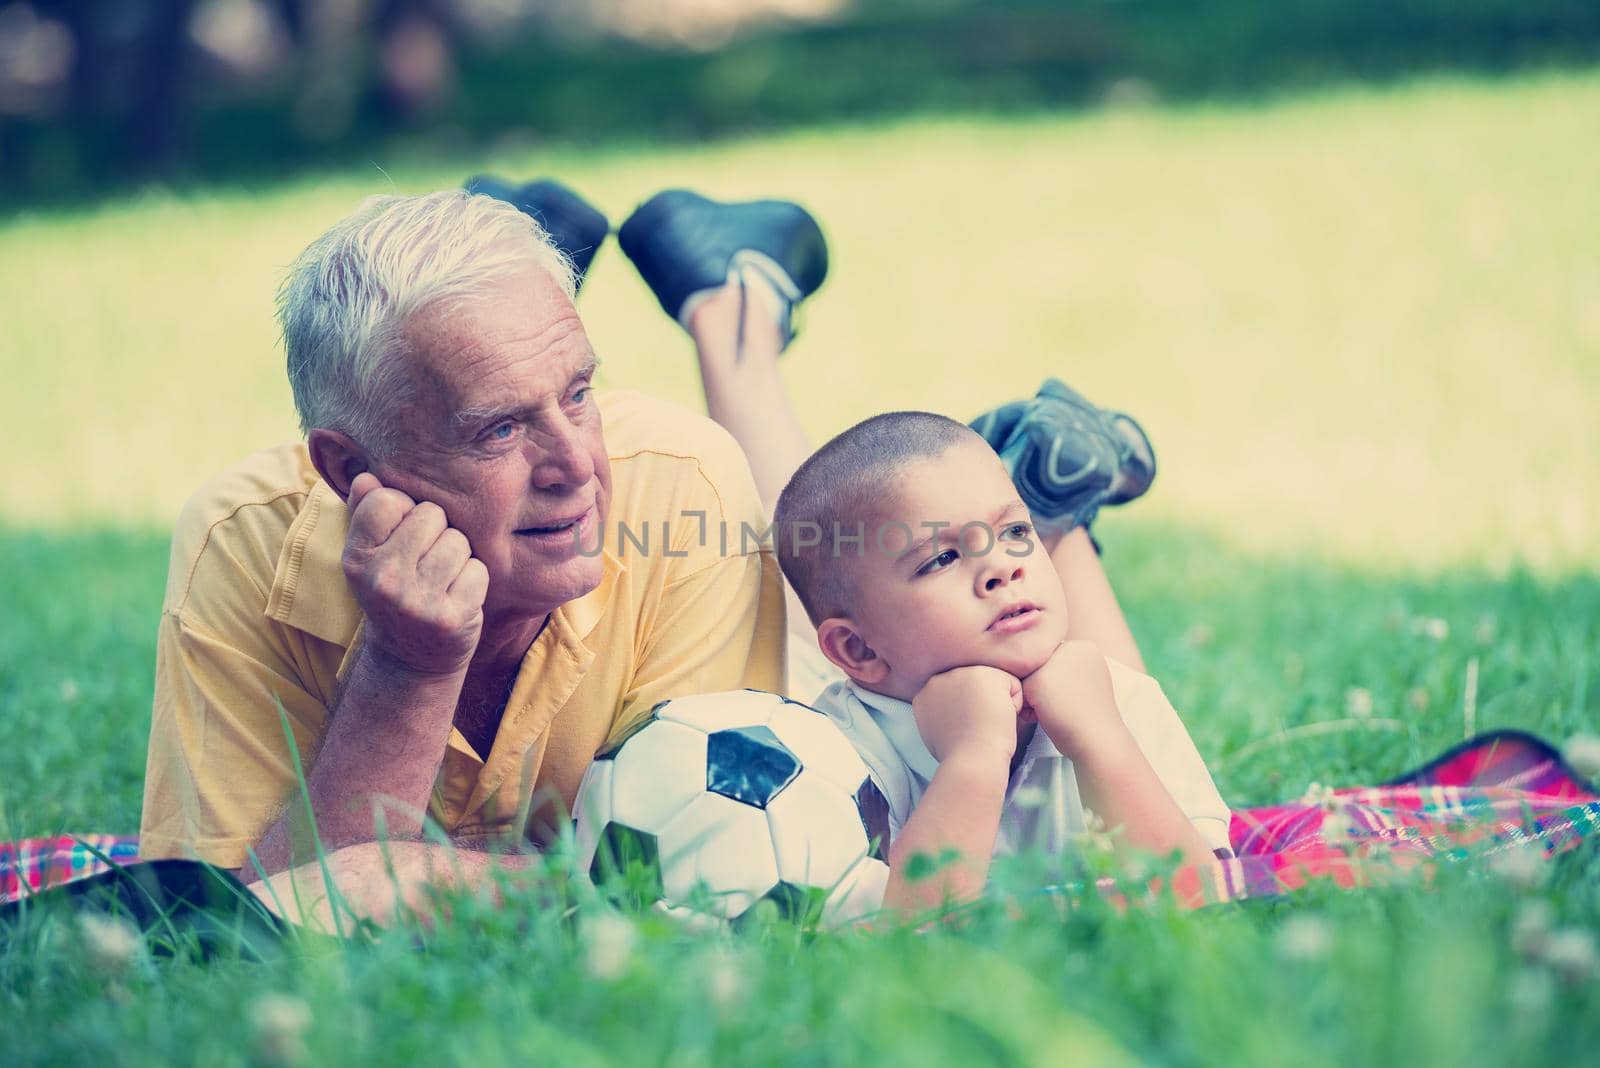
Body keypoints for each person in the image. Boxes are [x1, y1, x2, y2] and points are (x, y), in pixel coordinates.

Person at [138, 182, 833, 921]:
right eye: (497, 429)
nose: (577, 468)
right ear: (347, 470)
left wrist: (415, 880)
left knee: (816, 557)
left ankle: (734, 304)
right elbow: (240, 929)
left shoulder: (679, 480)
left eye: (579, 392)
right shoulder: (242, 542)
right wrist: (406, 668)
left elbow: (715, 866)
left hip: (815, 662)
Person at [639, 203, 1233, 915]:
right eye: (941, 559)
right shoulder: (834, 757)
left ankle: (1049, 513)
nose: (1003, 567)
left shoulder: (1118, 703)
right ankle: (1043, 502)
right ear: (856, 651)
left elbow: (1203, 905)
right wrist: (973, 760)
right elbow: (906, 938)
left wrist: (1102, 739)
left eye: (1018, 536)